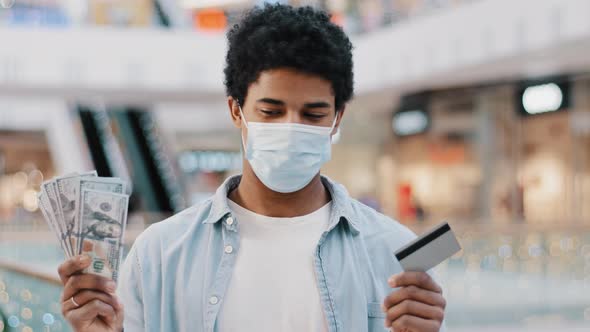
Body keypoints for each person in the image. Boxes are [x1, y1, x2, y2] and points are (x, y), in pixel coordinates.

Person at [57, 4, 447, 332]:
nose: (291, 128)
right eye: (271, 110)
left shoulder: (394, 251)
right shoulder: (158, 254)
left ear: (337, 119)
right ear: (236, 110)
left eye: (313, 114)